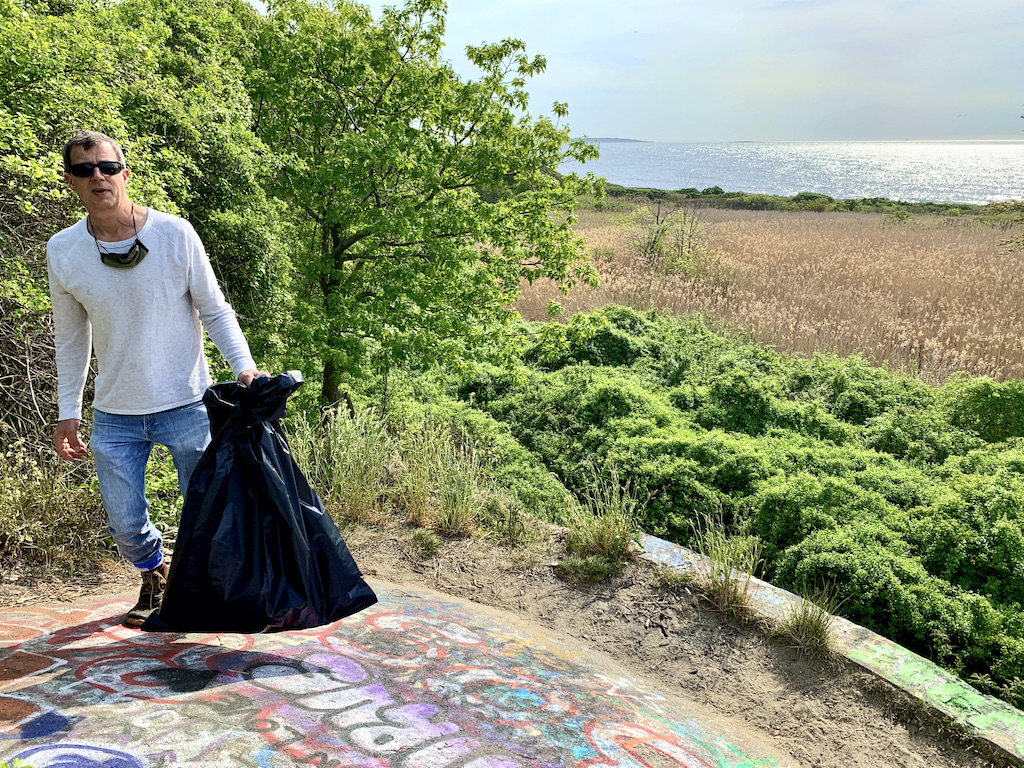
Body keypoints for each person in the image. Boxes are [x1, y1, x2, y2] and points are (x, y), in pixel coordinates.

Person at [47, 130, 269, 627]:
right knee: (125, 523)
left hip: (187, 404)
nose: (97, 177)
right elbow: (70, 338)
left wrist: (244, 366)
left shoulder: (174, 233)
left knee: (206, 512)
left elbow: (214, 309)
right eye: (84, 171)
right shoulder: (63, 251)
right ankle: (154, 573)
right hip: (115, 413)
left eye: (106, 167)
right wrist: (68, 410)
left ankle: (205, 591)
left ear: (125, 174)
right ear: (70, 182)